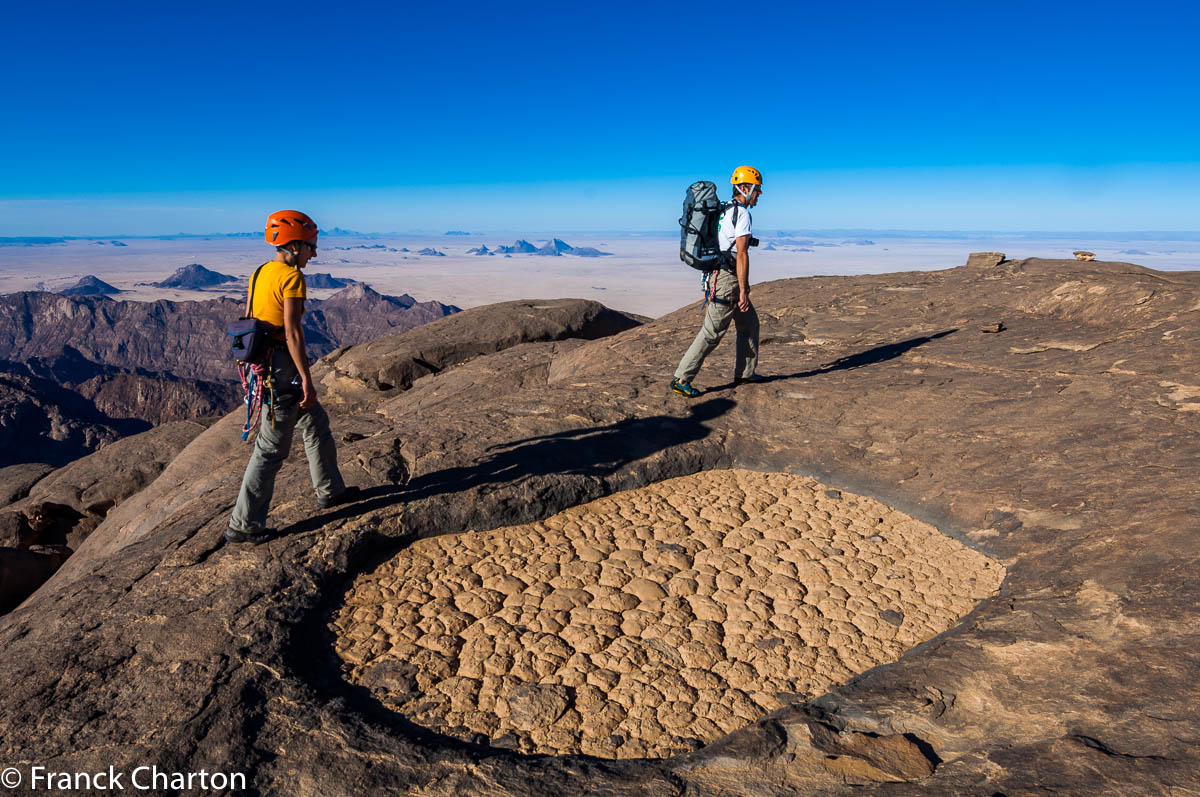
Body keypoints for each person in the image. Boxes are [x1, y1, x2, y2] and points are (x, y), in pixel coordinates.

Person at [226, 210, 359, 544]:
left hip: (263, 365)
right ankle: (243, 526)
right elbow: (293, 331)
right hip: (282, 369)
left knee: (315, 422)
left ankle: (330, 491)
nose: (314, 253)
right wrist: (307, 379)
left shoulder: (260, 273)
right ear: (294, 244)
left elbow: (250, 317)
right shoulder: (292, 278)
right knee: (270, 449)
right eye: (311, 246)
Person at [671, 166, 765, 397]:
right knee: (712, 332)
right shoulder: (741, 214)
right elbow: (742, 253)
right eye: (757, 189)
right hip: (728, 280)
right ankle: (681, 378)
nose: (759, 194)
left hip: (721, 275)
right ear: (744, 188)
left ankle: (745, 374)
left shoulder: (724, 210)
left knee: (749, 325)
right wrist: (743, 290)